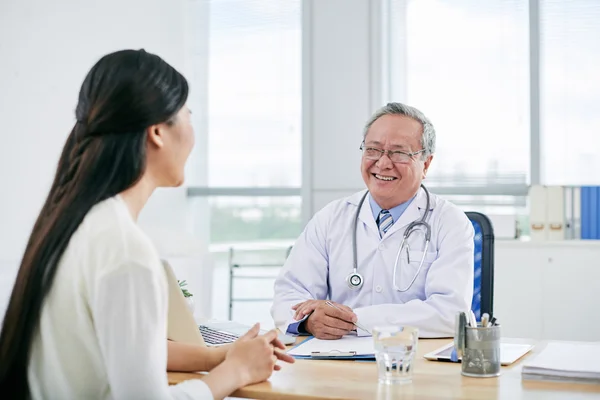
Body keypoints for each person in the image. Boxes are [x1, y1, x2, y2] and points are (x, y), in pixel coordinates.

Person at [0, 49, 293, 399]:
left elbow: (124, 346)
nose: (194, 133)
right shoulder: (125, 249)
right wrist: (234, 372)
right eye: (188, 115)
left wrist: (219, 356)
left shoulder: (73, 223)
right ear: (157, 131)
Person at [271, 102, 474, 339]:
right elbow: (288, 294)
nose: (383, 162)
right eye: (373, 149)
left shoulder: (449, 222)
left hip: (413, 362)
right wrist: (310, 321)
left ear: (426, 164)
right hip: (335, 360)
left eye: (399, 153)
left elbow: (451, 314)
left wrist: (356, 321)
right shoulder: (331, 218)